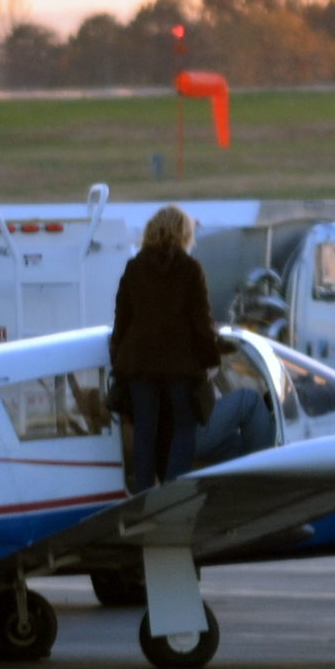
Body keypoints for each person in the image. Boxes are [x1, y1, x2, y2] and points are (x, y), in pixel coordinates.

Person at [110, 205, 220, 493]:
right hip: (180, 365)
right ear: (184, 233)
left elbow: (121, 321)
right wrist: (211, 360)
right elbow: (202, 321)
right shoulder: (190, 269)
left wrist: (117, 363)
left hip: (139, 363)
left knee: (144, 431)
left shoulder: (134, 267)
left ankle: (145, 497)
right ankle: (172, 495)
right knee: (184, 428)